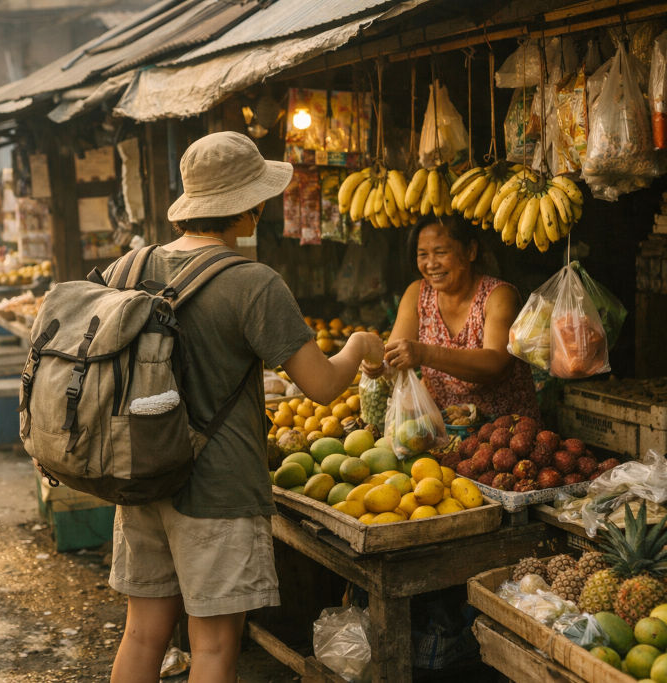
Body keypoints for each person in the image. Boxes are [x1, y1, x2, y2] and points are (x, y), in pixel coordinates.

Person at [107, 131, 384, 683]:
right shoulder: (253, 283)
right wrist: (359, 345)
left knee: (143, 631)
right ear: (248, 207)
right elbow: (323, 386)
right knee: (213, 647)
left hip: (140, 473)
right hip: (218, 489)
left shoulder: (129, 268)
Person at [363, 214, 540, 419]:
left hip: (505, 432)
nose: (430, 264)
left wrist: (424, 354)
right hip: (445, 429)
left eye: (440, 252)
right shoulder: (417, 293)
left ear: (471, 251)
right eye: (422, 254)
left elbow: (495, 363)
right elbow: (393, 354)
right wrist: (378, 364)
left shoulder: (499, 296)